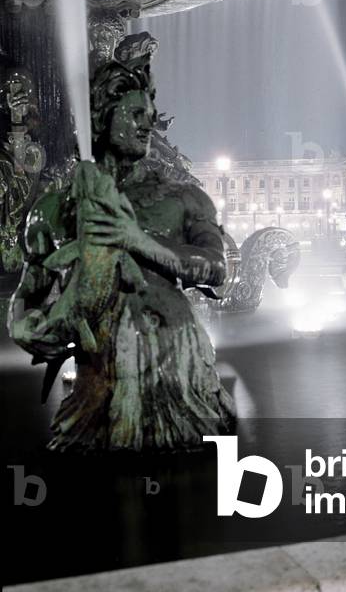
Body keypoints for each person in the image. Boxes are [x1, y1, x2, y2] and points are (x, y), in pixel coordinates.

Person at [10, 46, 235, 451]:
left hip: (180, 374)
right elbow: (29, 292)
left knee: (186, 495)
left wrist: (137, 240)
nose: (147, 126)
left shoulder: (184, 198)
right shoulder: (54, 209)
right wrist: (23, 327)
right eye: (135, 115)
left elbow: (219, 270)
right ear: (100, 118)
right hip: (101, 382)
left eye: (150, 117)